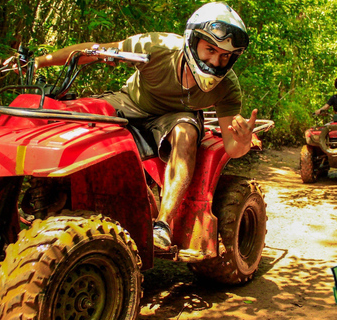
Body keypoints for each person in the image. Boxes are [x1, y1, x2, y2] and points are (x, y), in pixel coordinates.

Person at [32, 2, 257, 250]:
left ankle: (162, 226)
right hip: (130, 101)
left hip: (177, 116)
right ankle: (46, 197)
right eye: (209, 50)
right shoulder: (157, 47)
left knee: (186, 134)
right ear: (193, 41)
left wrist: (243, 142)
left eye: (225, 56)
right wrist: (39, 63)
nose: (215, 61)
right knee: (77, 114)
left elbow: (231, 147)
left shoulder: (228, 87)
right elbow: (92, 51)